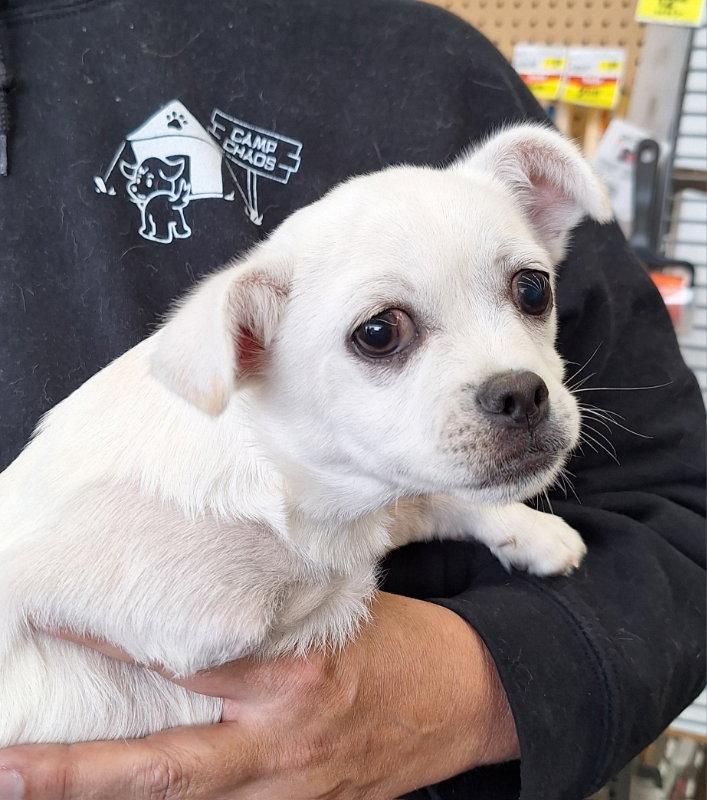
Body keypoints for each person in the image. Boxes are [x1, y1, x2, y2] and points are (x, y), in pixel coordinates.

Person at [0, 0, 704, 798]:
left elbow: (678, 507)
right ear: (246, 350)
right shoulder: (156, 523)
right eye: (381, 335)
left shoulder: (432, 59)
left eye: (526, 292)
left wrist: (467, 690)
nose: (513, 377)